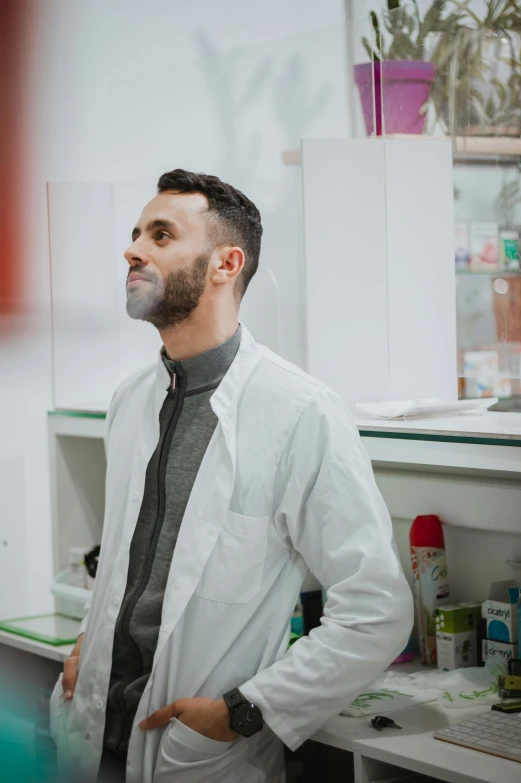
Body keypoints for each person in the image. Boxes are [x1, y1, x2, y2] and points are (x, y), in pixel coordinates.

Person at [49, 169, 413, 783]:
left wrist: (245, 711)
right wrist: (91, 639)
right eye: (136, 232)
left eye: (161, 235)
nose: (132, 249)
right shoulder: (130, 400)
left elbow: (375, 609)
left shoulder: (299, 412)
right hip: (91, 734)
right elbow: (124, 560)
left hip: (192, 750)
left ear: (225, 263)